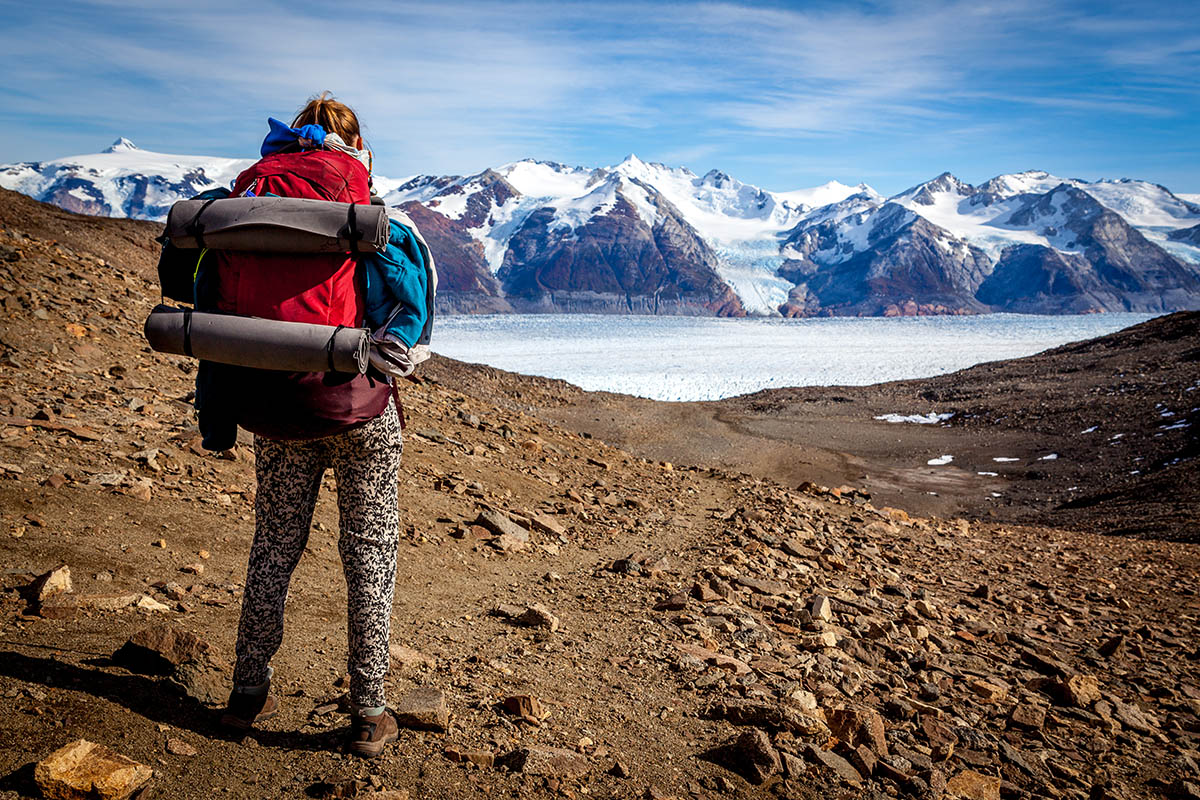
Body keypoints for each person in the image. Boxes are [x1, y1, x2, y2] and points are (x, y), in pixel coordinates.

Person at [216, 94, 415, 759]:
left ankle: (247, 693)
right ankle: (368, 711)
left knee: (274, 543)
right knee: (370, 552)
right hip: (357, 406)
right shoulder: (361, 204)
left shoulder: (255, 197)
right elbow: (409, 302)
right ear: (355, 145)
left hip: (276, 401)